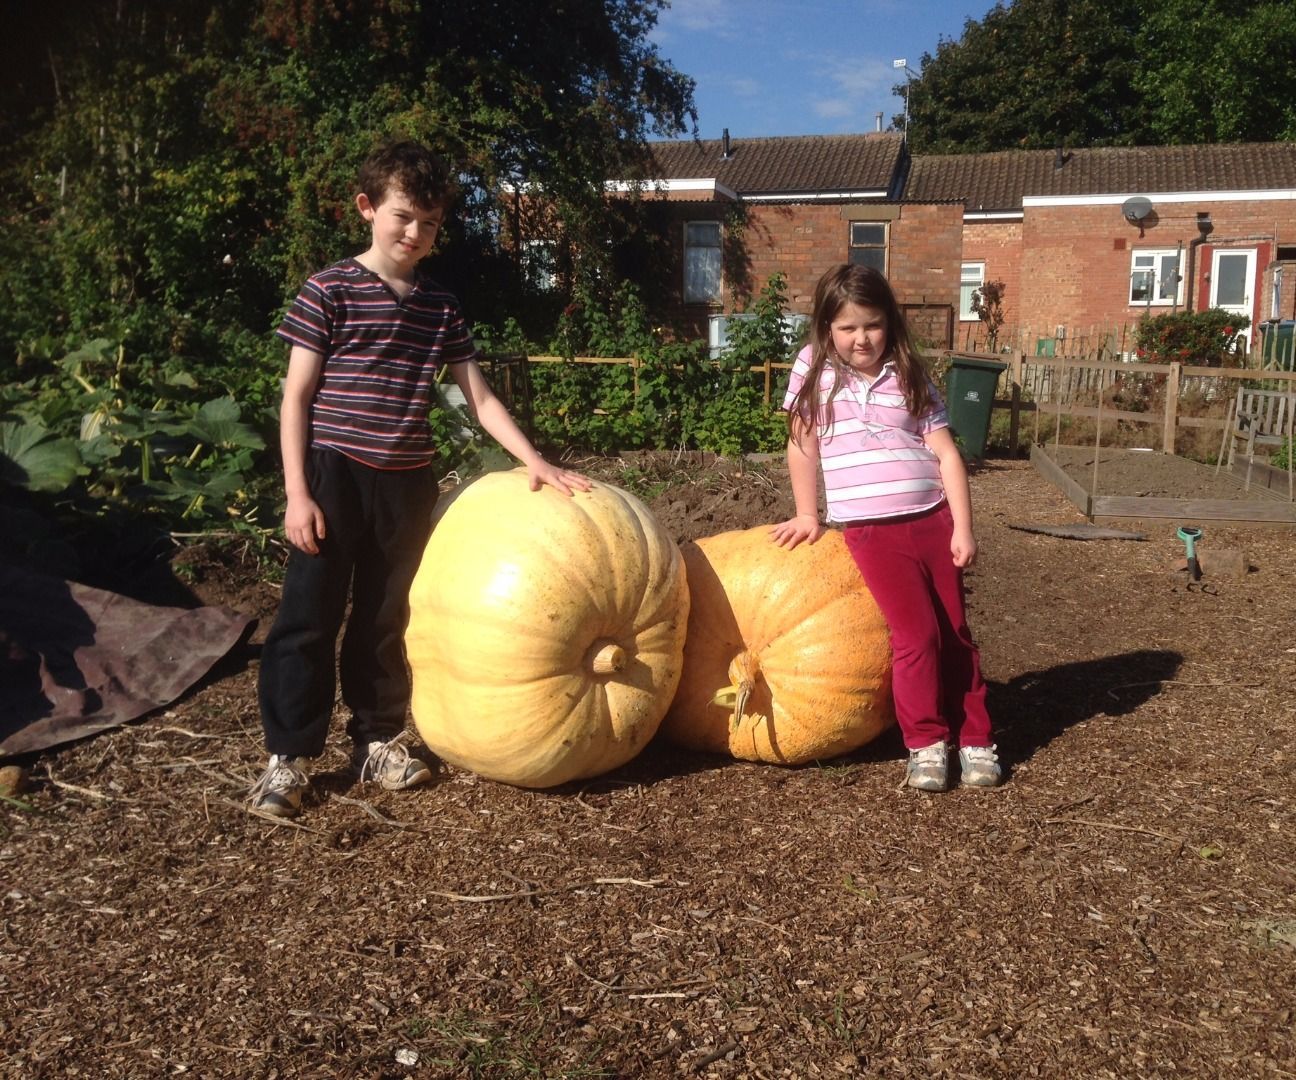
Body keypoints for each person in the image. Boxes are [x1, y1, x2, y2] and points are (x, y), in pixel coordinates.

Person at [248, 140, 589, 817]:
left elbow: (480, 398)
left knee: (385, 616)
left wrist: (535, 460)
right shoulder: (329, 289)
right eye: (403, 216)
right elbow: (296, 397)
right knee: (307, 619)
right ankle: (287, 759)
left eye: (430, 224)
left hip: (406, 482)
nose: (414, 233)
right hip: (332, 474)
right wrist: (296, 492)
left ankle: (376, 740)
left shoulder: (440, 307)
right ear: (367, 207)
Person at [770, 263, 1000, 792]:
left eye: (871, 325)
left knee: (955, 635)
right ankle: (925, 743)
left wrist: (962, 527)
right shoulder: (812, 369)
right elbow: (802, 445)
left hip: (932, 520)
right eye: (848, 328)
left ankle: (976, 739)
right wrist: (808, 513)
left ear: (889, 322)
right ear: (827, 327)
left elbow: (946, 455)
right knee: (915, 635)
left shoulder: (909, 372)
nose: (861, 338)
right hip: (871, 531)